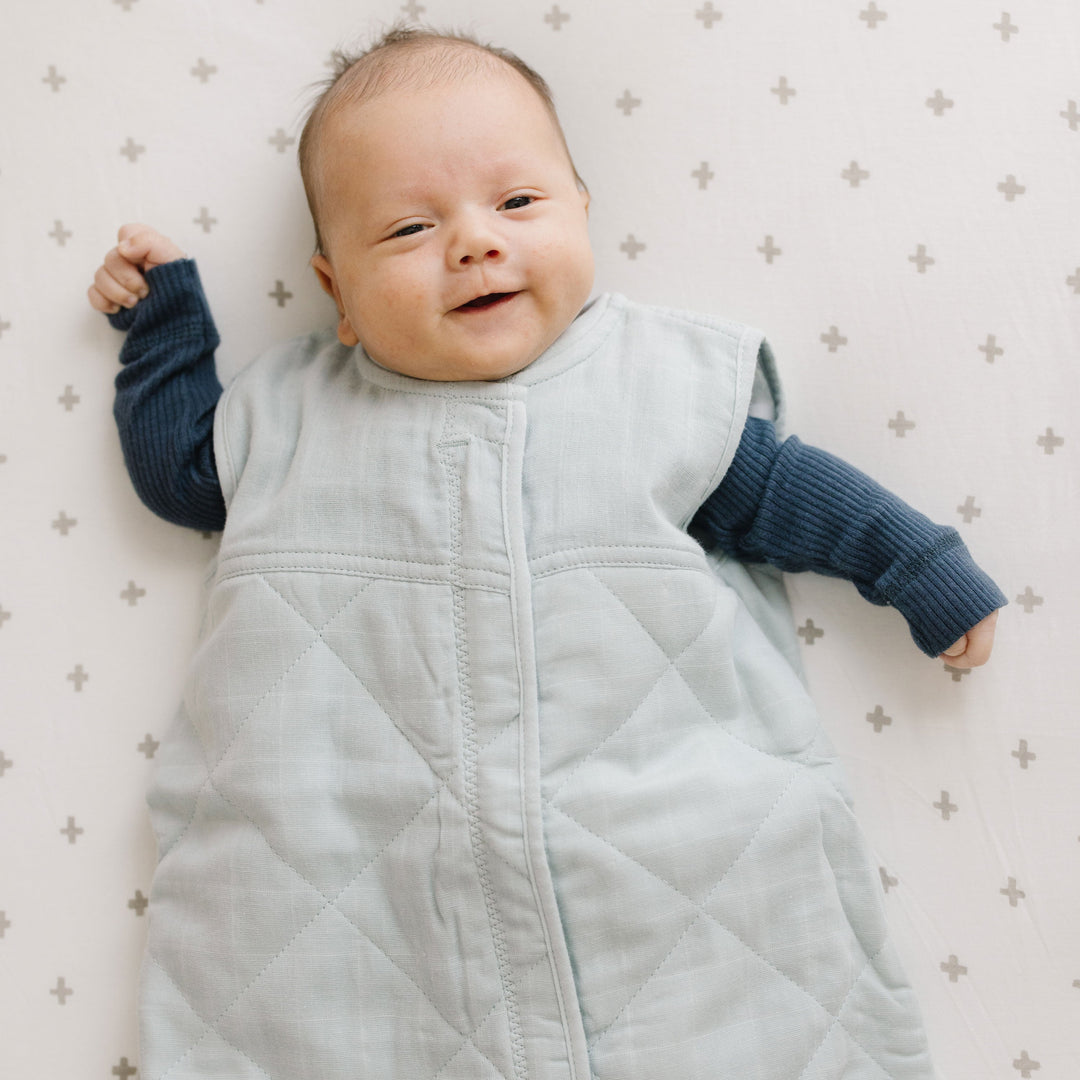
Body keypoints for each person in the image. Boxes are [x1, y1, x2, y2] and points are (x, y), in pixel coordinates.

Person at [88, 26, 1003, 1080]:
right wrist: (165, 331)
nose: (474, 242)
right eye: (408, 228)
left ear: (581, 212)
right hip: (352, 903)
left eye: (517, 204)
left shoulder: (656, 393)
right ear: (335, 294)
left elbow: (791, 494)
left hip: (667, 880)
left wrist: (922, 571)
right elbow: (179, 480)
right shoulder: (289, 419)